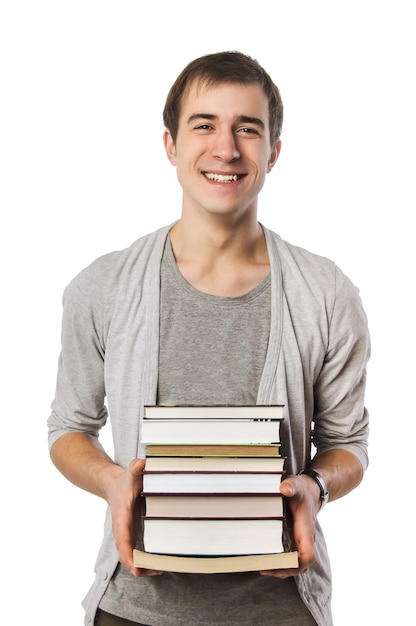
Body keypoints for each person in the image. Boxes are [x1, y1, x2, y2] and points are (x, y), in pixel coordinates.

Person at [48, 51, 370, 626]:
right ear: (170, 145)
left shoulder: (327, 294)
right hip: (133, 609)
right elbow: (69, 429)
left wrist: (314, 487)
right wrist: (112, 482)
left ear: (273, 151)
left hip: (281, 611)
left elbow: (350, 446)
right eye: (205, 125)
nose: (226, 149)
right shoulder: (102, 287)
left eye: (248, 129)